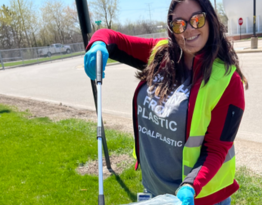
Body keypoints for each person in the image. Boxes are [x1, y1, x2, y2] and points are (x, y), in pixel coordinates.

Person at [84, 0, 247, 204]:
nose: (188, 30)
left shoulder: (227, 80)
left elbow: (217, 149)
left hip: (198, 196)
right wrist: (98, 45)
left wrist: (190, 186)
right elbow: (112, 38)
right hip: (154, 189)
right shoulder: (161, 54)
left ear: (210, 20)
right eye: (179, 24)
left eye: (197, 20)